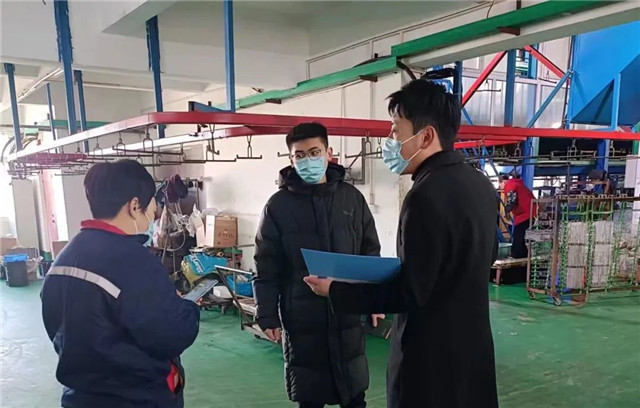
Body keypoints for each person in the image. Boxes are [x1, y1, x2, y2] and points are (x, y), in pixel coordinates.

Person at [304, 80, 499, 408]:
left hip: (430, 362)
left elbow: (411, 293)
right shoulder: (479, 183)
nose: (390, 140)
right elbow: (485, 256)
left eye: (396, 130)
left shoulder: (424, 196)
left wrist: (335, 290)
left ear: (426, 136)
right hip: (472, 350)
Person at [41, 160, 200, 408]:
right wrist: (187, 308)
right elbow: (171, 334)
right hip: (136, 397)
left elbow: (57, 327)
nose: (155, 211)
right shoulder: (135, 262)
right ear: (134, 205)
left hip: (80, 397)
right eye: (152, 203)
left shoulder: (64, 259)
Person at [253, 122, 382, 408]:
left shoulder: (351, 199)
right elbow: (267, 265)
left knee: (354, 393)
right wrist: (267, 314)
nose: (308, 160)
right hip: (302, 317)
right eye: (300, 155)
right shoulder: (278, 206)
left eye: (314, 152)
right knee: (310, 396)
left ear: (329, 153)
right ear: (291, 160)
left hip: (346, 312)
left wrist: (375, 298)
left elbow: (369, 251)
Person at [502, 172, 536, 259]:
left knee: (518, 235)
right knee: (521, 235)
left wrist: (507, 211)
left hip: (524, 214)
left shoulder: (510, 184)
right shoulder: (521, 185)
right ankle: (523, 254)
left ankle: (517, 255)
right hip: (530, 212)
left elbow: (511, 199)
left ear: (503, 182)